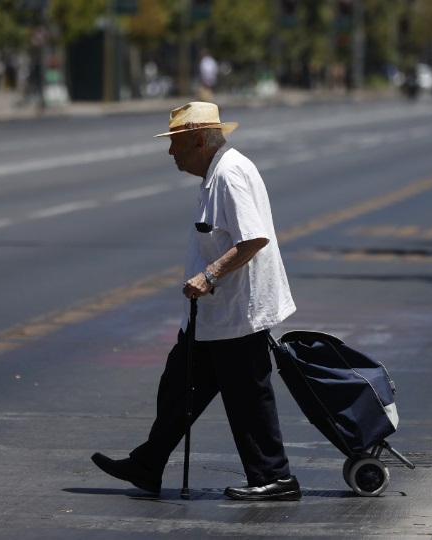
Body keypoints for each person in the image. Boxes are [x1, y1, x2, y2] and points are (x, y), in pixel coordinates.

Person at [91, 102, 300, 501]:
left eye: (177, 142)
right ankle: (148, 464)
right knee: (179, 386)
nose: (171, 151)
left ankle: (276, 478)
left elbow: (253, 238)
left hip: (238, 314)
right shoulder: (214, 174)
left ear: (200, 141)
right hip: (212, 316)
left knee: (248, 398)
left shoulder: (230, 174)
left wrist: (209, 275)